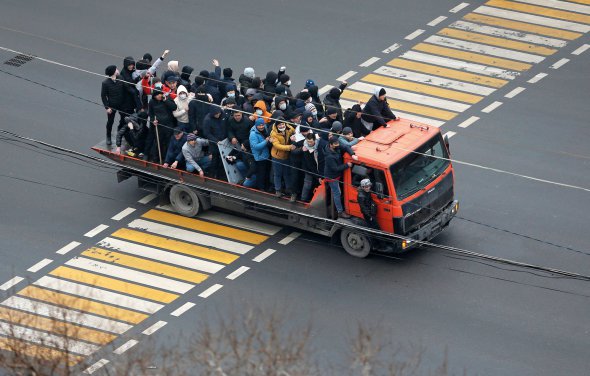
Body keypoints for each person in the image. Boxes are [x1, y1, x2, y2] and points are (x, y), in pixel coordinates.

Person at [324, 136, 358, 219]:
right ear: (331, 145)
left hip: (338, 173)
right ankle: (340, 211)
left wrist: (352, 154)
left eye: (338, 143)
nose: (338, 145)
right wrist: (347, 165)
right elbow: (335, 168)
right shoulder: (329, 156)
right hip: (332, 177)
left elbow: (345, 147)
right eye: (336, 144)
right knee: (337, 193)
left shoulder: (336, 146)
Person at [145, 85, 177, 162]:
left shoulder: (167, 99)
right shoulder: (152, 102)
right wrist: (153, 121)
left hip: (168, 125)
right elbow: (151, 113)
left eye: (160, 94)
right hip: (159, 126)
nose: (159, 96)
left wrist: (166, 100)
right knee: (158, 142)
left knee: (168, 142)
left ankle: (166, 159)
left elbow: (174, 107)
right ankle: (156, 159)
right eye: (157, 95)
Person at [270, 118, 296, 200]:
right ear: (277, 126)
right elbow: (277, 145)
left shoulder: (288, 128)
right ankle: (278, 190)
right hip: (277, 157)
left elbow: (293, 130)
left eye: (283, 124)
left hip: (286, 156)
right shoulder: (273, 133)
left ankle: (288, 189)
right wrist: (289, 147)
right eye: (280, 125)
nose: (282, 126)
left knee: (287, 173)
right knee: (277, 174)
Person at [101, 65, 124, 145]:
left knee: (124, 119)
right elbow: (103, 96)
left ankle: (121, 133)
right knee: (110, 121)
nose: (118, 70)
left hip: (121, 104)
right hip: (112, 105)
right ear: (114, 72)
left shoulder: (120, 78)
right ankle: (108, 136)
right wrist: (107, 108)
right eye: (116, 69)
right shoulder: (105, 83)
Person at [202, 106, 227, 180]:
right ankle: (213, 175)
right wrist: (216, 141)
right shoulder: (207, 120)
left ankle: (223, 175)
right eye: (216, 114)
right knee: (215, 160)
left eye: (219, 113)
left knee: (224, 159)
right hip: (214, 143)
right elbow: (207, 133)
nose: (218, 115)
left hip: (224, 141)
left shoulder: (223, 114)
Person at [298, 132, 322, 202]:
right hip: (309, 168)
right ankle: (303, 199)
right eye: (308, 141)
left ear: (314, 140)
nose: (309, 143)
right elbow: (309, 164)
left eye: (311, 142)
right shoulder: (305, 149)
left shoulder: (319, 145)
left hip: (317, 167)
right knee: (307, 184)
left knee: (314, 184)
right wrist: (317, 175)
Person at [249, 118, 271, 191]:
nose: (261, 127)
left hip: (266, 155)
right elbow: (256, 146)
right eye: (259, 125)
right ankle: (261, 188)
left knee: (266, 172)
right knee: (261, 174)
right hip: (260, 157)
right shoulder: (253, 134)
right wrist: (266, 141)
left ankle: (266, 187)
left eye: (262, 125)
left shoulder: (265, 129)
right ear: (256, 125)